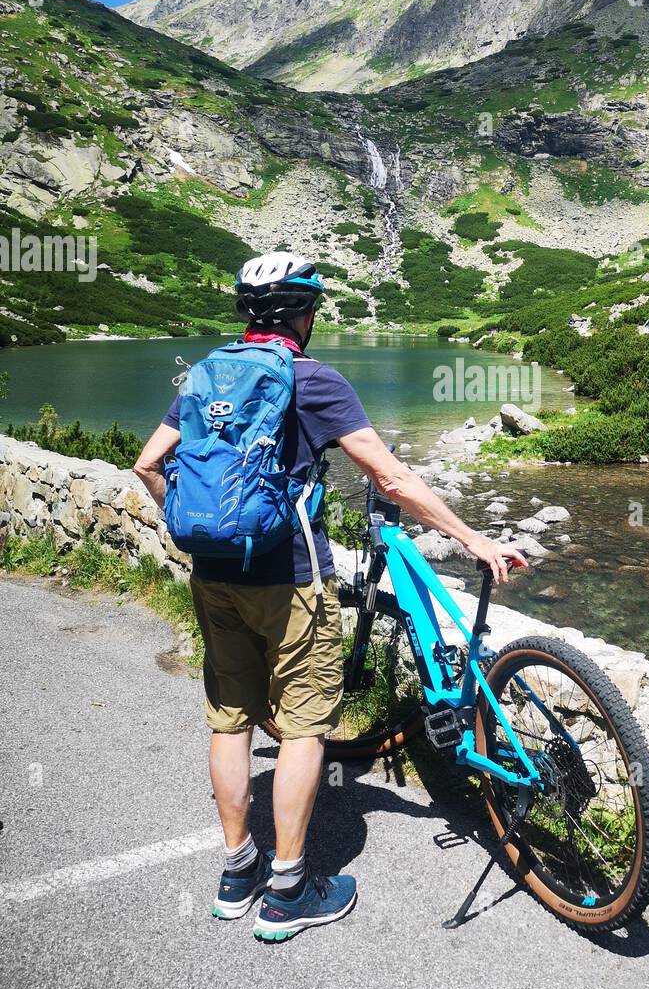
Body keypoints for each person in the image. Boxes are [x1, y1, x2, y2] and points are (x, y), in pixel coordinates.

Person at [134, 252, 526, 942]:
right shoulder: (311, 379)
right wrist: (473, 539)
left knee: (229, 721)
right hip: (289, 578)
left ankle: (236, 876)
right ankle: (289, 889)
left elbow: (147, 462)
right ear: (303, 316)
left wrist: (195, 532)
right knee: (305, 728)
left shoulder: (202, 376)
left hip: (213, 577)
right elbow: (392, 478)